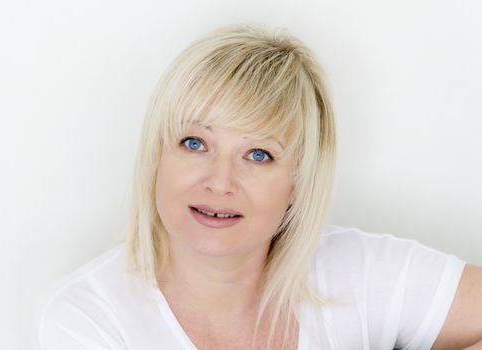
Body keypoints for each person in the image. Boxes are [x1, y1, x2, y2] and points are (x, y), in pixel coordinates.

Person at [33, 24, 482, 349]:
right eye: (194, 143)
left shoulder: (359, 271)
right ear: (156, 157)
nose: (220, 181)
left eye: (259, 155)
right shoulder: (88, 318)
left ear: (297, 184)